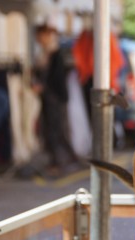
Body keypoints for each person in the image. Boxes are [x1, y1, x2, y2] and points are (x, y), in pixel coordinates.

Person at [33, 23, 78, 177]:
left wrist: (44, 87)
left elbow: (57, 78)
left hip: (55, 97)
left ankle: (60, 161)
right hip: (51, 97)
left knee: (55, 129)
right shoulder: (47, 53)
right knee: (54, 129)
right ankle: (65, 159)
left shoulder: (55, 53)